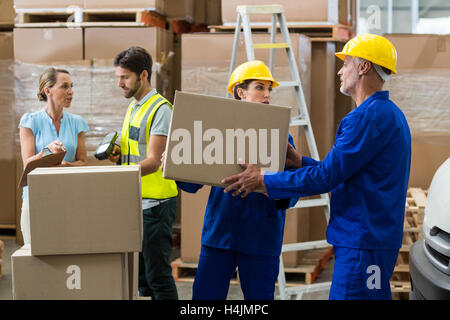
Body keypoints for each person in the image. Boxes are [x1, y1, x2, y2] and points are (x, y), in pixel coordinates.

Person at [222, 34, 412, 300]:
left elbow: (326, 177)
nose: (340, 70)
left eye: (346, 63)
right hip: (375, 242)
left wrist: (264, 180)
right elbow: (345, 172)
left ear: (363, 67)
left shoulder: (365, 118)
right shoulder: (390, 114)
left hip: (361, 244)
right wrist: (299, 162)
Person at [164, 60, 298, 300]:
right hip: (220, 235)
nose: (267, 95)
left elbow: (291, 192)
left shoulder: (281, 136)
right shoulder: (218, 132)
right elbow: (192, 183)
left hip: (261, 237)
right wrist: (173, 165)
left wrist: (267, 184)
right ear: (241, 92)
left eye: (269, 89)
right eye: (260, 87)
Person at [109, 46, 178, 300]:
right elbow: (133, 152)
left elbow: (153, 162)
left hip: (156, 206)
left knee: (158, 277)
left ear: (144, 75)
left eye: (125, 77)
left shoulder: (160, 109)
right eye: (118, 77)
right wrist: (118, 154)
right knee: (143, 279)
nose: (120, 83)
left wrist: (117, 176)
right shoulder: (135, 107)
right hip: (137, 203)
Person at [19, 67, 89, 244]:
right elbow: (27, 164)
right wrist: (47, 151)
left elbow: (83, 162)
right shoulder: (30, 121)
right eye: (65, 86)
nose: (71, 92)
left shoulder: (77, 123)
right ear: (47, 90)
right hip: (36, 199)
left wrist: (67, 166)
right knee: (35, 254)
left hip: (69, 198)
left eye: (71, 86)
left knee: (67, 252)